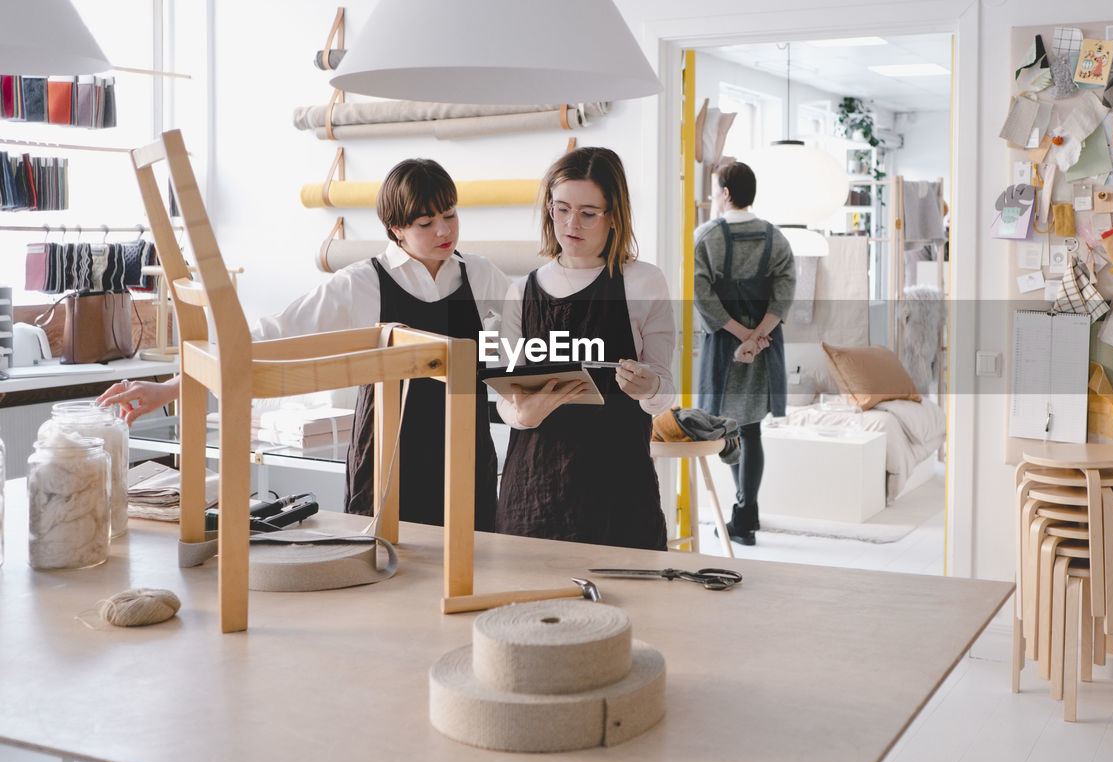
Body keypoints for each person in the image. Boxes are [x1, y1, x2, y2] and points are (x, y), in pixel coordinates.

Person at [98, 158, 508, 530]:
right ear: (396, 228)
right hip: (389, 462)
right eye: (426, 222)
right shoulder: (361, 284)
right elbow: (267, 339)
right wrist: (172, 388)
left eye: (450, 215)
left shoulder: (483, 277)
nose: (444, 230)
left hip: (468, 456)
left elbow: (525, 344)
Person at [494, 146, 676, 550]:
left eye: (588, 213)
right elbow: (505, 399)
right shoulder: (520, 291)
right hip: (533, 493)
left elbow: (664, 391)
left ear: (613, 216)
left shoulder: (644, 283)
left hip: (619, 495)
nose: (571, 223)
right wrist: (523, 414)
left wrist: (648, 388)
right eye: (561, 209)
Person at [693, 161, 795, 546]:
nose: (714, 196)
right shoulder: (776, 238)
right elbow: (785, 293)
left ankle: (743, 516)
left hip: (723, 345)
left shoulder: (706, 236)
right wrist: (757, 337)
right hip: (765, 347)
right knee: (751, 430)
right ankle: (745, 516)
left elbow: (700, 294)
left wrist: (739, 336)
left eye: (716, 189)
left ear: (727, 194)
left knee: (727, 427)